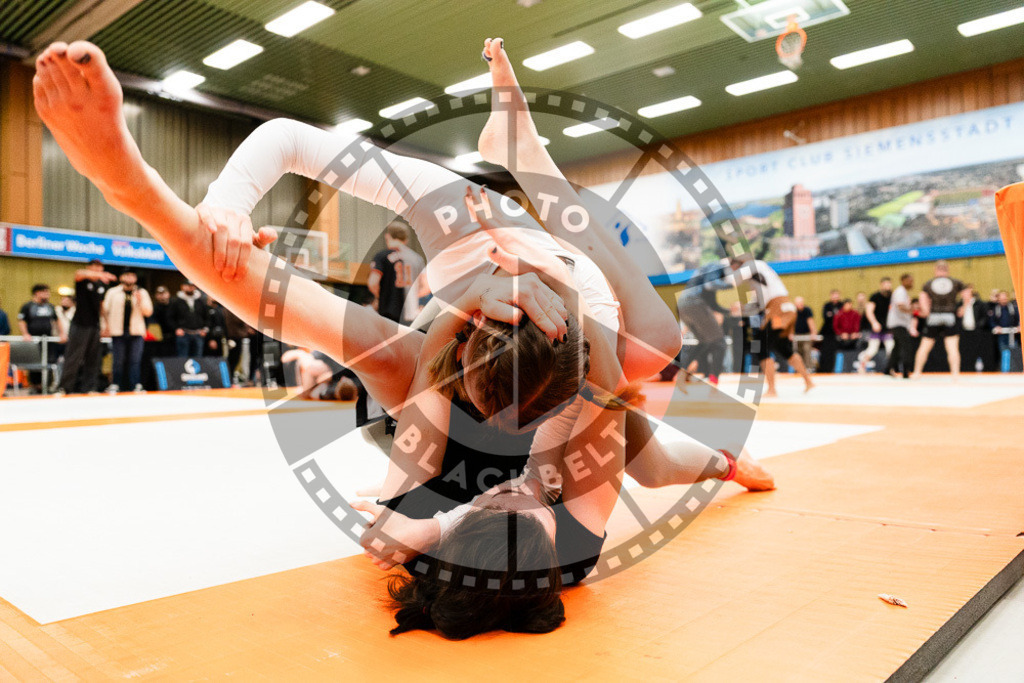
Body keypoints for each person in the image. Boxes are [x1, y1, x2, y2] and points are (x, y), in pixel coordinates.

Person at [32, 37, 773, 640]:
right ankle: (529, 156)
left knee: (366, 346)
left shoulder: (424, 461)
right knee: (652, 361)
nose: (510, 486)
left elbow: (287, 152)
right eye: (525, 503)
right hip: (572, 334)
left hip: (452, 369)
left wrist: (213, 205)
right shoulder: (573, 542)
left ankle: (135, 189)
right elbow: (628, 419)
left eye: (493, 501)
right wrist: (722, 460)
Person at [728, 257, 814, 397]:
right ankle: (808, 382)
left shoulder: (754, 265)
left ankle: (772, 390)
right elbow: (757, 305)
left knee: (762, 346)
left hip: (778, 313)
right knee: (783, 347)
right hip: (784, 310)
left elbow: (734, 280)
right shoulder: (761, 277)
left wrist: (722, 276)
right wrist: (742, 308)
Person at [57, 259, 116, 395]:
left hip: (94, 326)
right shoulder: (82, 280)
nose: (98, 270)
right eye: (95, 267)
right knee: (74, 357)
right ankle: (65, 388)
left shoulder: (101, 285)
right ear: (89, 267)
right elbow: (78, 273)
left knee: (93, 358)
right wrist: (101, 275)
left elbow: (101, 306)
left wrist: (106, 325)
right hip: (80, 324)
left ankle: (89, 388)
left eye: (100, 268)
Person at [675, 260, 730, 385]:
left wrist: (729, 311)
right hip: (695, 304)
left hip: (682, 306)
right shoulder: (717, 266)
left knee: (705, 342)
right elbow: (711, 285)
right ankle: (714, 380)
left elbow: (713, 303)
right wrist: (730, 285)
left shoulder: (702, 272)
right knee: (720, 343)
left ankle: (682, 372)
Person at [911, 260, 965, 379]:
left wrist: (926, 311)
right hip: (950, 316)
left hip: (933, 317)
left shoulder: (929, 283)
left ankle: (917, 372)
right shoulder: (955, 282)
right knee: (952, 347)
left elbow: (922, 298)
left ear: (935, 270)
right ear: (947, 270)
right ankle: (955, 374)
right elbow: (967, 293)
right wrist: (964, 307)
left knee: (924, 346)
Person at [102, 269, 153, 393]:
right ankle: (115, 384)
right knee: (118, 360)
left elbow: (148, 312)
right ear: (121, 277)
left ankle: (135, 384)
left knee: (135, 360)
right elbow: (105, 311)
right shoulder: (113, 292)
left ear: (135, 278)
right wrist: (105, 327)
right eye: (127, 275)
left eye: (132, 276)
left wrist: (140, 300)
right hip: (117, 331)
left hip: (136, 331)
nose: (129, 278)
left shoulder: (142, 292)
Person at [368, 222, 426, 324]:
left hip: (388, 312)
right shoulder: (417, 259)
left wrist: (381, 297)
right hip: (411, 314)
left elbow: (373, 283)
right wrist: (413, 298)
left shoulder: (382, 256)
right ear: (406, 239)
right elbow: (425, 286)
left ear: (387, 236)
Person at [856, 278, 894, 374]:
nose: (887, 286)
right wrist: (874, 323)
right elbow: (869, 311)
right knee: (873, 349)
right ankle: (862, 366)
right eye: (885, 284)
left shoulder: (893, 296)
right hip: (876, 328)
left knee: (891, 349)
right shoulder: (875, 297)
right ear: (881, 285)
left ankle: (891, 368)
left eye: (889, 284)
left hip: (888, 328)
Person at [885, 273, 915, 378]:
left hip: (899, 324)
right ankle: (906, 372)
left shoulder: (903, 292)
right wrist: (912, 310)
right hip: (898, 324)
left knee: (897, 348)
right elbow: (901, 306)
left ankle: (888, 369)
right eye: (910, 281)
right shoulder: (900, 291)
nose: (912, 283)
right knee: (906, 347)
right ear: (904, 281)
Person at [957, 285, 992, 372]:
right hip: (964, 333)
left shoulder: (980, 304)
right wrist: (965, 304)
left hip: (977, 332)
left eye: (966, 292)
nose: (964, 294)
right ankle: (966, 370)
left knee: (980, 351)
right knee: (965, 353)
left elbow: (985, 317)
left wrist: (979, 326)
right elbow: (958, 316)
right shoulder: (959, 304)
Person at [169, 281, 207, 357]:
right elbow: (170, 317)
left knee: (198, 358)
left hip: (198, 333)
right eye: (188, 285)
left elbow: (206, 316)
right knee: (183, 358)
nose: (190, 288)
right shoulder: (176, 301)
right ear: (182, 287)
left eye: (192, 286)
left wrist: (205, 329)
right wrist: (176, 328)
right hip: (183, 334)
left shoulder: (200, 300)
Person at [990, 291, 1020, 364]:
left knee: (1014, 352)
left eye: (1005, 297)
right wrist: (996, 327)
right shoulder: (996, 309)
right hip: (1002, 336)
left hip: (1013, 335)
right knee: (1004, 352)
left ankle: (1014, 368)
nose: (1004, 299)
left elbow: (1018, 319)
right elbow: (992, 321)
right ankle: (1005, 368)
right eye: (1002, 298)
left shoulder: (1013, 308)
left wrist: (1018, 326)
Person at [817, 289, 842, 374]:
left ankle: (832, 368)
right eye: (834, 295)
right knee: (825, 351)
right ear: (831, 296)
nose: (835, 297)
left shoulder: (841, 305)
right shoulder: (827, 305)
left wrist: (832, 315)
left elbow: (841, 318)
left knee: (833, 352)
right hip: (827, 332)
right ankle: (823, 369)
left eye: (837, 295)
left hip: (837, 333)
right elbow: (826, 317)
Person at [792, 296, 816, 370]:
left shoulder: (807, 310)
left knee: (806, 349)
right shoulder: (793, 311)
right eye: (798, 303)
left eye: (801, 303)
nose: (800, 305)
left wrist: (813, 332)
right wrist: (790, 333)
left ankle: (809, 367)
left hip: (806, 334)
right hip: (796, 335)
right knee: (797, 351)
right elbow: (791, 323)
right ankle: (799, 368)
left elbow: (810, 321)